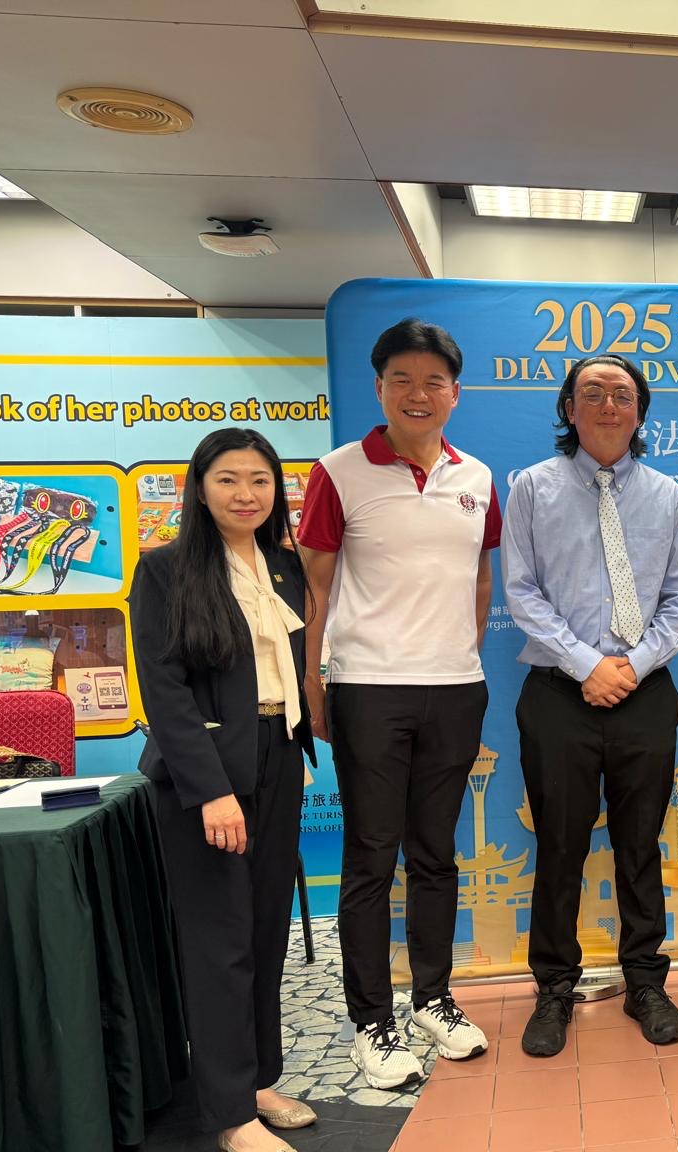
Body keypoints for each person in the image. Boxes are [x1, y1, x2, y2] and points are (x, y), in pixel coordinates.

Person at [296, 318, 499, 1089]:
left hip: (454, 689)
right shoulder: (339, 472)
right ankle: (371, 1022)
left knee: (436, 855)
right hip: (368, 688)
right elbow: (314, 587)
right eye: (403, 380)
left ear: (456, 392)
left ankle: (433, 999)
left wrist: (461, 654)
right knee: (372, 858)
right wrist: (315, 681)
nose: (419, 394)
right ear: (379, 388)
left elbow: (480, 576)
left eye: (434, 382)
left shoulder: (477, 477)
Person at [130, 428, 317, 1152]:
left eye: (260, 480)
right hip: (206, 774)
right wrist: (211, 791)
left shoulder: (283, 564)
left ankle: (258, 1079)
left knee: (266, 929)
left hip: (279, 756)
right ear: (200, 488)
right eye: (229, 479)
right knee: (221, 942)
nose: (246, 494)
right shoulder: (166, 569)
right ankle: (231, 1114)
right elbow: (165, 690)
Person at [502, 353, 678, 1057]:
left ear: (639, 411)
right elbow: (521, 591)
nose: (609, 405)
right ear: (569, 408)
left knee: (639, 845)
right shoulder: (532, 487)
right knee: (559, 846)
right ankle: (554, 988)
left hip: (645, 692)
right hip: (559, 693)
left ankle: (645, 980)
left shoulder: (667, 495)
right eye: (593, 393)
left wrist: (631, 667)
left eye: (622, 394)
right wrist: (587, 665)